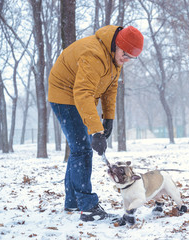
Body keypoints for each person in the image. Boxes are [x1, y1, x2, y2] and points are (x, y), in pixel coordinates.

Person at [48, 25, 144, 222]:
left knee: (78, 149)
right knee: (82, 149)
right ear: (118, 44)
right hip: (64, 94)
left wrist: (108, 118)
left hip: (79, 95)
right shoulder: (94, 55)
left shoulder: (115, 58)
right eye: (125, 55)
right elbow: (82, 93)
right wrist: (96, 132)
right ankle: (88, 206)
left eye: (130, 58)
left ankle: (73, 201)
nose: (126, 60)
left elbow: (110, 88)